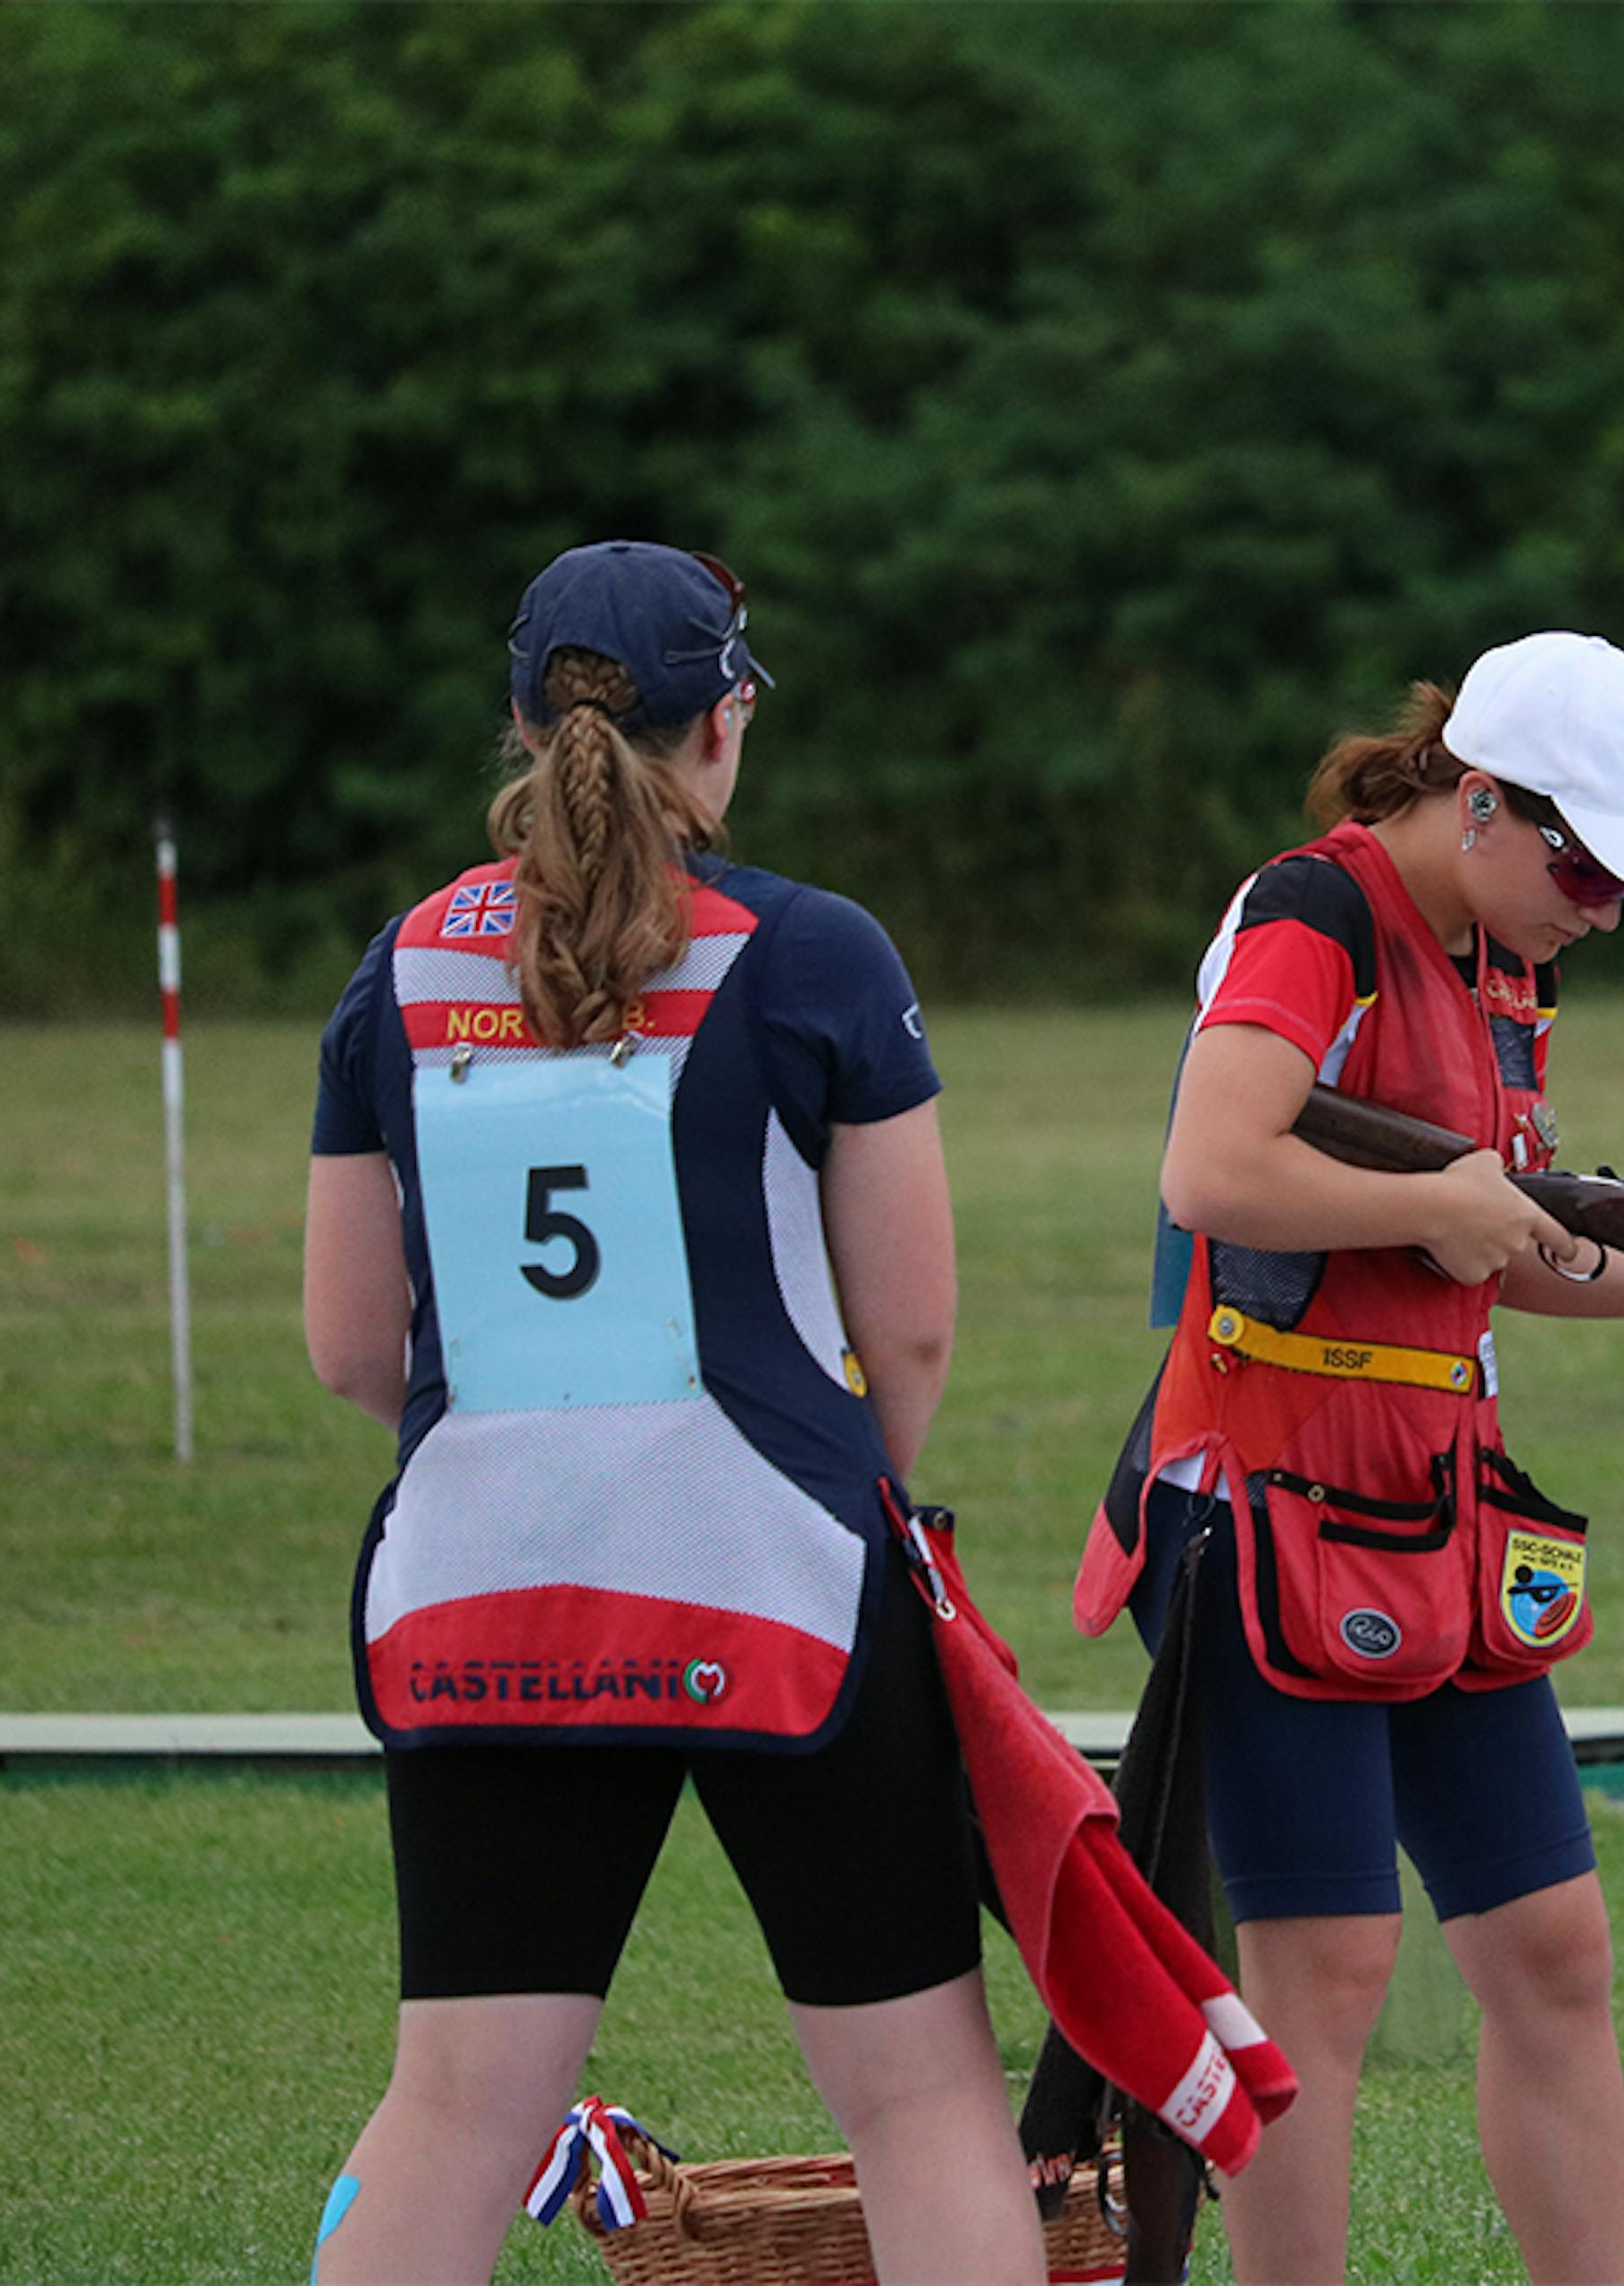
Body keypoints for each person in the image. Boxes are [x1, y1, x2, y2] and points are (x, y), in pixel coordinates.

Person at [1070, 632, 1624, 2282]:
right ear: (1484, 802)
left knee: (1549, 1949)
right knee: (1325, 1968)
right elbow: (1212, 1171)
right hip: (1265, 1502)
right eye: (1589, 868)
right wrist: (1436, 1204)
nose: (1608, 907)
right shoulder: (1317, 913)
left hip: (1436, 1514)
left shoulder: (1512, 956)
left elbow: (1508, 1242)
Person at [298, 541, 1045, 2286]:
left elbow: (352, 1346)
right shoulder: (819, 953)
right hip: (774, 1566)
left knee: (459, 2100)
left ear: (516, 717)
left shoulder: (397, 966)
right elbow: (909, 1329)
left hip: (481, 1576)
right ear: (727, 720)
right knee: (923, 2095)